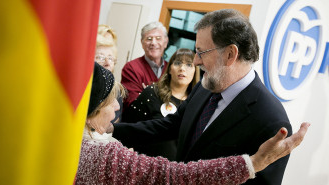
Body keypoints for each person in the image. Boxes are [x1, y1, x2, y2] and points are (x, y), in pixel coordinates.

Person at [113, 9, 293, 185]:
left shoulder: (272, 121)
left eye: (201, 52)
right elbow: (172, 125)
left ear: (230, 54)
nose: (196, 61)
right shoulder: (205, 87)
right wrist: (110, 131)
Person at [75, 62, 310, 185]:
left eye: (201, 51)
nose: (118, 108)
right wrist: (252, 164)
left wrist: (115, 128)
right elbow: (174, 175)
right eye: (110, 102)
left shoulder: (270, 116)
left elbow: (171, 126)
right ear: (90, 111)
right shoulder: (102, 155)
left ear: (230, 54)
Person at [122, 48, 199, 160]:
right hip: (145, 165)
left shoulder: (197, 104)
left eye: (189, 65)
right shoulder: (152, 93)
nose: (182, 68)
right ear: (169, 69)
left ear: (195, 71)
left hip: (177, 171)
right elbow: (129, 128)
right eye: (177, 63)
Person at [121, 21, 169, 110]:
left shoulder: (171, 69)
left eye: (158, 38)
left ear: (165, 42)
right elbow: (133, 103)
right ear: (142, 43)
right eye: (149, 39)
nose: (153, 43)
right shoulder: (131, 68)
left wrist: (147, 93)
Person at [95, 24, 123, 123]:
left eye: (110, 58)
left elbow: (113, 123)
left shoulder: (116, 89)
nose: (107, 63)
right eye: (100, 57)